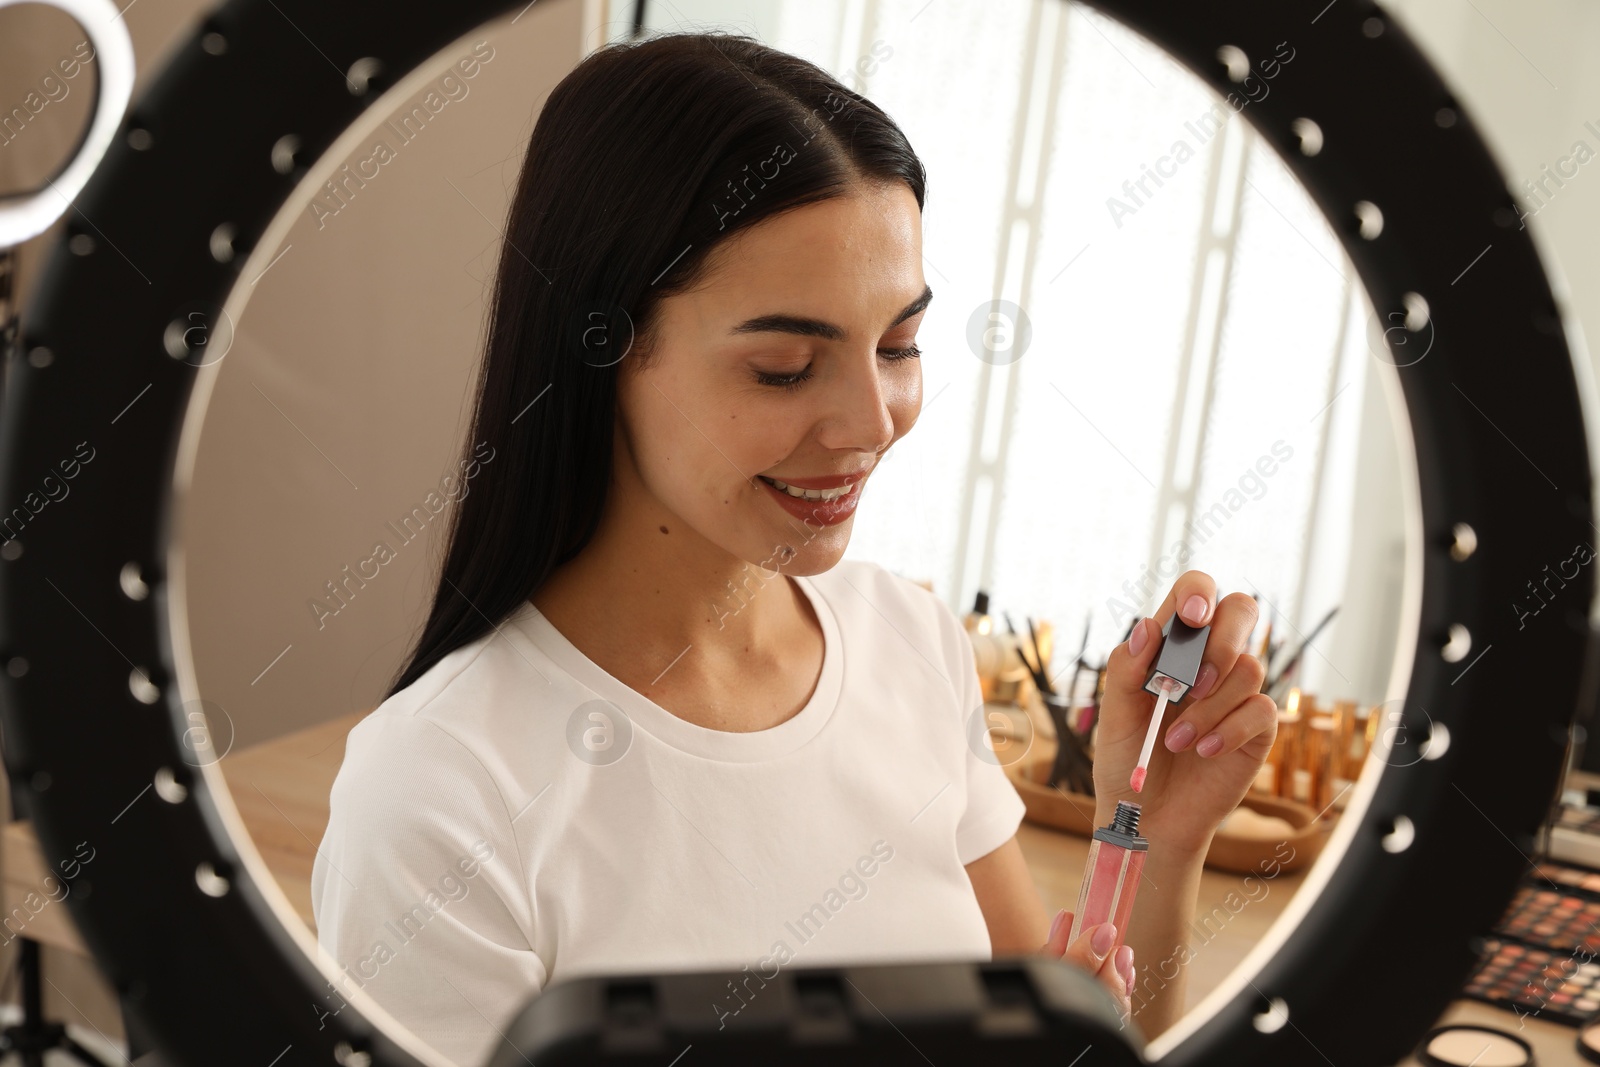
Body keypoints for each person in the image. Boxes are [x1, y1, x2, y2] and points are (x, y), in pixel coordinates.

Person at [311, 29, 1276, 1066]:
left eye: (899, 346)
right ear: (601, 350)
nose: (872, 420)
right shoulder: (441, 790)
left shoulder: (909, 641)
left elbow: (1086, 1044)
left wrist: (1155, 835)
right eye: (782, 367)